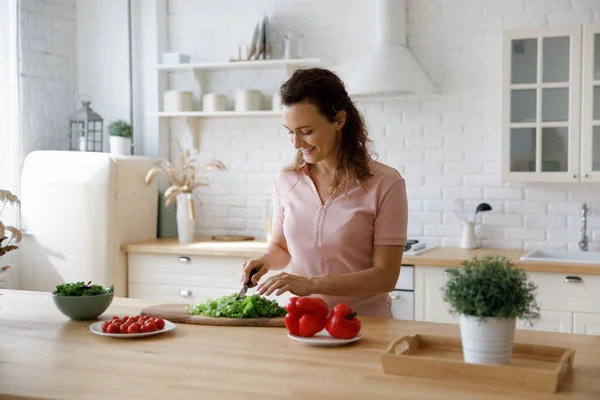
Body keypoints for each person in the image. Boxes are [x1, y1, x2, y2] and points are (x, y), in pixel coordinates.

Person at [240, 67, 408, 318]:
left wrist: (312, 284)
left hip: (364, 324)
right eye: (290, 132)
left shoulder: (385, 183)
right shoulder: (286, 179)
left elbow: (385, 277)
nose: (296, 143)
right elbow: (281, 247)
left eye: (306, 131)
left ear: (339, 120)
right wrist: (265, 261)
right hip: (303, 321)